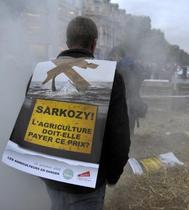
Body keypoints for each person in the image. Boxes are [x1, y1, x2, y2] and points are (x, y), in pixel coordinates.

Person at [42, 16, 131, 210]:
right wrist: (112, 175)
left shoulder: (41, 73)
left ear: (67, 43)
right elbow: (119, 136)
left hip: (51, 178)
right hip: (88, 183)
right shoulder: (110, 78)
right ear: (93, 44)